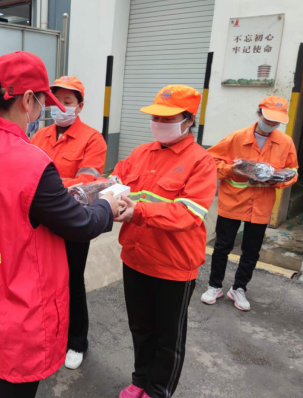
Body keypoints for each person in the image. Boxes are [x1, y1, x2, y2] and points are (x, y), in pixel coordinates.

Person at [0, 51, 121, 398]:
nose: (49, 109)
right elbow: (79, 224)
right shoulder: (30, 159)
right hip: (17, 312)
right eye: (45, 100)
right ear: (28, 99)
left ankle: (77, 341)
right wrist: (107, 205)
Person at [113, 85, 217, 398]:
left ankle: (158, 389)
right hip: (135, 257)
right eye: (156, 116)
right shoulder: (141, 153)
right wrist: (98, 194)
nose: (158, 122)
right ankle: (140, 379)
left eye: (167, 118)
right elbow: (116, 181)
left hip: (173, 265)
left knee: (168, 336)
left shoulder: (201, 162)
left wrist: (137, 211)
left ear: (189, 120)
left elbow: (188, 214)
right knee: (140, 328)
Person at [31, 75, 107, 369]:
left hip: (73, 221)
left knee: (72, 280)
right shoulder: (40, 136)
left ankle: (76, 341)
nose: (60, 106)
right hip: (42, 222)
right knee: (42, 280)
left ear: (80, 106)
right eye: (56, 101)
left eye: (68, 101)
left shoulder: (92, 139)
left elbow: (87, 182)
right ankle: (49, 333)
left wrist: (47, 187)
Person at [201, 96, 299, 311]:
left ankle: (239, 288)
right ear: (259, 113)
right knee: (222, 247)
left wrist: (279, 179)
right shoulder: (237, 138)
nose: (271, 124)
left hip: (261, 205)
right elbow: (209, 162)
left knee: (251, 251)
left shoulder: (285, 142)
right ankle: (214, 286)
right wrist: (232, 169)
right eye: (268, 118)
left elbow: (293, 170)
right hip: (233, 202)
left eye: (276, 121)